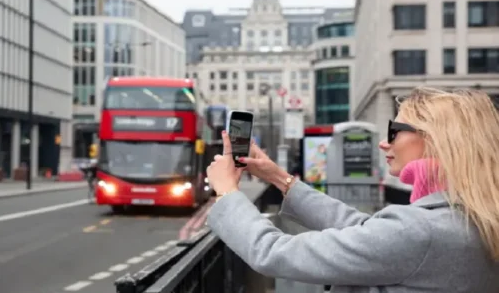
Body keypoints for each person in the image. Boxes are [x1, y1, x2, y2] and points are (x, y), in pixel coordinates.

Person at [205, 87, 499, 292]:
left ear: (435, 139)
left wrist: (227, 193)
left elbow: (273, 252)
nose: (385, 142)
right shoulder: (471, 215)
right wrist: (279, 178)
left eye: (394, 130)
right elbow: (368, 230)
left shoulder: (423, 231)